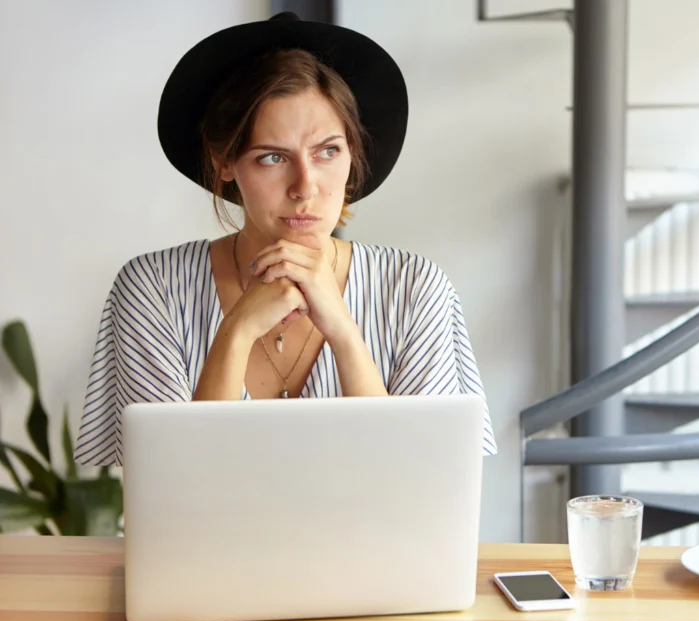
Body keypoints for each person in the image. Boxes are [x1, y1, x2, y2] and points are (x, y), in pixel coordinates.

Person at [73, 12, 496, 466]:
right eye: (273, 157)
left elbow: (423, 480)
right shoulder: (152, 288)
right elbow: (171, 481)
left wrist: (344, 332)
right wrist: (235, 332)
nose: (306, 186)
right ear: (224, 162)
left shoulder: (414, 288)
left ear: (352, 155)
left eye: (328, 151)